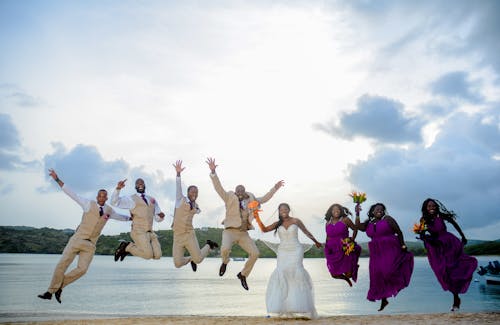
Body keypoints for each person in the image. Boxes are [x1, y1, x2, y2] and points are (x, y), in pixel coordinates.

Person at [38, 169, 131, 303]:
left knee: (82, 270)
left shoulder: (109, 210)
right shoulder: (87, 204)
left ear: (106, 197)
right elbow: (71, 194)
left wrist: (133, 218)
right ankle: (49, 292)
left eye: (104, 196)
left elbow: (121, 217)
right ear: (97, 197)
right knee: (61, 265)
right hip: (77, 240)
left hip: (91, 245)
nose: (102, 197)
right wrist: (57, 179)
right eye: (100, 195)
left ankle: (60, 287)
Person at [206, 157, 284, 290]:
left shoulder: (251, 200)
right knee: (224, 249)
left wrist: (275, 189)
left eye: (242, 190)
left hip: (243, 233)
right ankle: (225, 262)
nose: (240, 192)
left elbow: (265, 198)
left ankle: (243, 275)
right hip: (230, 231)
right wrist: (213, 172)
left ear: (245, 191)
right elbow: (218, 188)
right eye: (238, 190)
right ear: (235, 192)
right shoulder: (229, 197)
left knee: (255, 253)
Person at [254, 203, 322, 319]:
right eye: (281, 210)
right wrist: (257, 217)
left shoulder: (296, 221)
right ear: (279, 212)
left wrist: (316, 241)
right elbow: (264, 230)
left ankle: (300, 306)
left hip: (296, 249)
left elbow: (306, 232)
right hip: (283, 251)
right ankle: (284, 306)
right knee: (282, 272)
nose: (284, 211)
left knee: (296, 273)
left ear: (289, 210)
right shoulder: (278, 224)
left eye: (285, 209)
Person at [418, 198, 478, 311]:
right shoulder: (423, 219)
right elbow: (422, 233)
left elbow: (455, 224)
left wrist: (463, 236)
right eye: (429, 206)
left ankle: (456, 299)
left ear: (436, 207)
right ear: (426, 208)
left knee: (452, 269)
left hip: (448, 243)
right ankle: (456, 297)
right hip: (436, 246)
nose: (432, 208)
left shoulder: (441, 216)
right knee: (442, 271)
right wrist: (422, 236)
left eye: (434, 206)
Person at [356, 203, 414, 311]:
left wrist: (402, 244)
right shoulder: (369, 223)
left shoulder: (388, 219)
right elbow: (357, 226)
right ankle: (384, 300)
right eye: (377, 209)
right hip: (376, 252)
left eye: (382, 209)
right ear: (372, 211)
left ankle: (396, 286)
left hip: (390, 248)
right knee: (377, 275)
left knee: (389, 271)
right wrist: (357, 213)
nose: (380, 211)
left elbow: (399, 232)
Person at [171, 160, 219, 271]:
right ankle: (190, 259)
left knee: (198, 259)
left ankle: (208, 245)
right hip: (177, 236)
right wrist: (178, 173)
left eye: (196, 192)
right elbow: (178, 186)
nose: (194, 194)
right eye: (192, 192)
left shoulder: (196, 206)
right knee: (177, 263)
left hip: (189, 235)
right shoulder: (180, 199)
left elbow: (197, 211)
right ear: (187, 192)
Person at [111, 177, 165, 261]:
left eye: (142, 183)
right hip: (138, 231)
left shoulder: (152, 199)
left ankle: (128, 247)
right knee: (148, 255)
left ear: (144, 185)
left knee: (158, 255)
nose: (140, 184)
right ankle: (127, 246)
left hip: (150, 232)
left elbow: (157, 218)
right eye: (138, 183)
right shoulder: (131, 199)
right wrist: (118, 189)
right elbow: (114, 202)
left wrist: (161, 216)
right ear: (135, 186)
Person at [324, 203, 361, 287]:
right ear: (330, 211)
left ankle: (352, 270)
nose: (336, 211)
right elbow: (328, 236)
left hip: (344, 248)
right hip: (332, 249)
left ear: (341, 211)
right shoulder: (327, 223)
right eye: (333, 209)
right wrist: (326, 247)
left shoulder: (345, 219)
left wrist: (352, 239)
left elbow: (355, 228)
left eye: (338, 209)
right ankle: (345, 279)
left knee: (349, 274)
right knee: (334, 274)